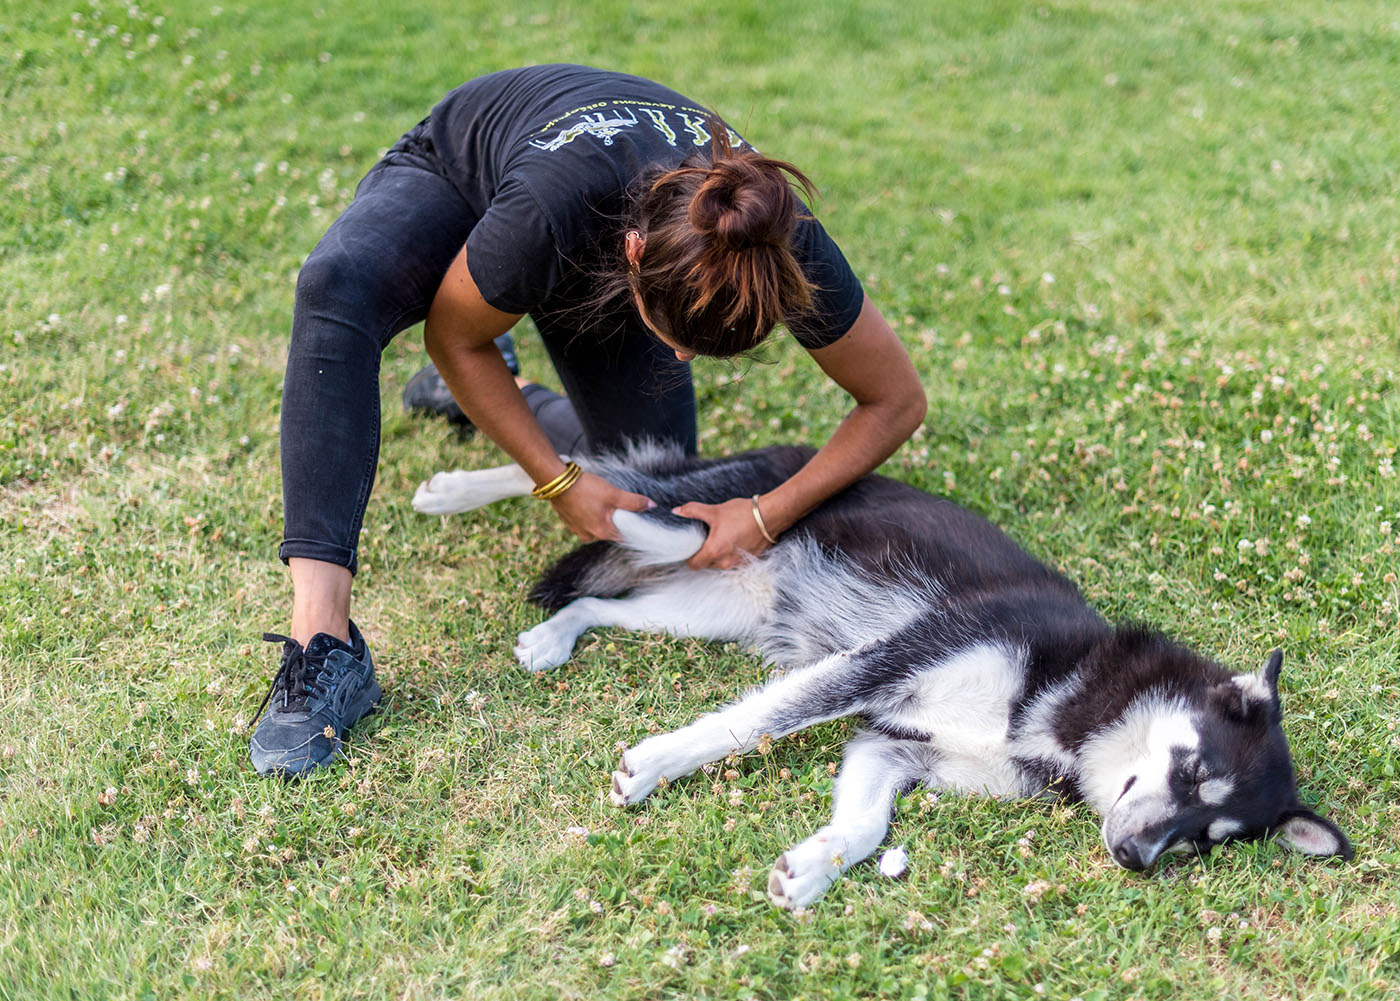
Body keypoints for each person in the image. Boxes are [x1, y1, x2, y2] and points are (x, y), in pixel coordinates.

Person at [250, 64, 927, 777]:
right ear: (635, 255)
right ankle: (322, 640)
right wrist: (557, 480)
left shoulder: (771, 239)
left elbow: (897, 401)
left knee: (652, 478)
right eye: (675, 335)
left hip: (613, 240)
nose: (679, 355)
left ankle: (500, 384)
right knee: (337, 284)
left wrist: (760, 516)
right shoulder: (549, 209)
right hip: (466, 175)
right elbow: (452, 337)